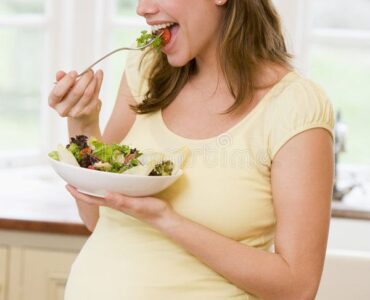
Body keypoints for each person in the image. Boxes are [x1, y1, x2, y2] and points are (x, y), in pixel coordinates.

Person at [48, 0, 335, 299]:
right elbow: (96, 218)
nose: (142, 9)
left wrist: (165, 219)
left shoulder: (293, 107)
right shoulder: (146, 70)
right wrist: (83, 121)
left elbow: (297, 288)